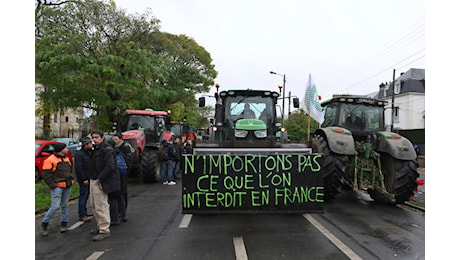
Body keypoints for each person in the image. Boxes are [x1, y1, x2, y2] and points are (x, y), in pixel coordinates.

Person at [89, 129, 121, 241]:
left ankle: (104, 229)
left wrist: (100, 179)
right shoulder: (96, 149)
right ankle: (99, 226)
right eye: (93, 137)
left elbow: (110, 166)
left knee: (101, 205)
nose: (94, 140)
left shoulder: (106, 150)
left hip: (101, 180)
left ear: (102, 137)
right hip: (94, 179)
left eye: (96, 137)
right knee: (94, 205)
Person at [40, 142, 74, 236]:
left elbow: (69, 170)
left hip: (66, 185)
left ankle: (64, 224)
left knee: (65, 205)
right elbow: (46, 175)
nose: (67, 149)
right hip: (58, 186)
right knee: (55, 206)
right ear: (61, 150)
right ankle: (44, 224)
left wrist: (70, 180)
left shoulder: (65, 158)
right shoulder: (50, 160)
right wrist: (53, 185)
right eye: (65, 148)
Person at [107, 140, 128, 225]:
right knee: (120, 197)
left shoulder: (110, 154)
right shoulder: (120, 153)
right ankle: (124, 215)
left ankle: (114, 218)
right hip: (122, 178)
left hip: (113, 178)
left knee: (112, 199)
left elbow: (109, 167)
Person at [74, 136, 93, 222]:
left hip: (88, 177)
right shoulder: (79, 154)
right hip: (84, 178)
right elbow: (79, 168)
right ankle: (82, 214)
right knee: (83, 196)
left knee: (86, 196)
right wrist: (84, 178)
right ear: (85, 145)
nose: (91, 144)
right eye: (89, 143)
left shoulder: (88, 152)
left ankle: (84, 211)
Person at [112, 132, 131, 207]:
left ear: (120, 139)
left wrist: (127, 170)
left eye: (116, 139)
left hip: (123, 171)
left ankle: (123, 208)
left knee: (123, 191)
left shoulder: (125, 147)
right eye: (113, 139)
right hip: (117, 172)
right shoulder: (113, 147)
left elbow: (129, 160)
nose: (114, 141)